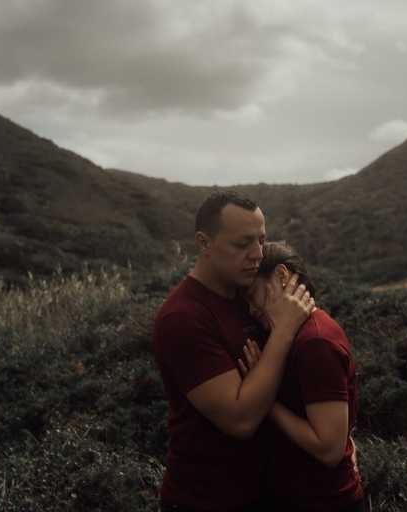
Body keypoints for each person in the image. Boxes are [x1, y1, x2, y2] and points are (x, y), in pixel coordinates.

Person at [152, 191, 315, 511]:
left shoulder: (252, 296)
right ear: (204, 243)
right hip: (207, 500)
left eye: (261, 239)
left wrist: (334, 442)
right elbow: (240, 421)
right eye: (242, 244)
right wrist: (283, 331)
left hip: (273, 491)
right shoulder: (183, 317)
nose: (257, 254)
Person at [239, 241, 364, 512]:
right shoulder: (289, 336)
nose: (251, 309)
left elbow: (329, 450)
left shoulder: (315, 342)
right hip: (296, 496)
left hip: (324, 501)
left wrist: (266, 403)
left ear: (282, 276)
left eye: (253, 295)